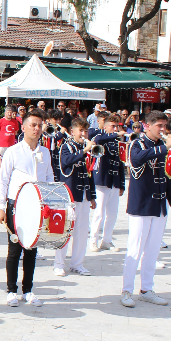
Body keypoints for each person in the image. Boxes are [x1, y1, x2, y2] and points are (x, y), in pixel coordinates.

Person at [121, 111, 171, 308]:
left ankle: (147, 288)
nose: (163, 130)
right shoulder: (138, 143)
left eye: (165, 126)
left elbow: (168, 176)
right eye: (159, 126)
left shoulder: (162, 148)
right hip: (141, 204)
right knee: (135, 248)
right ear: (148, 126)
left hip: (159, 205)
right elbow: (137, 159)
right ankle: (126, 290)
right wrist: (165, 147)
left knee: (153, 250)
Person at [0, 109, 50, 307]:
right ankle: (11, 290)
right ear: (24, 127)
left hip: (37, 207)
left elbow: (49, 179)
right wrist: (1, 207)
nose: (36, 128)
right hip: (15, 206)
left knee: (32, 249)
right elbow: (3, 180)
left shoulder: (44, 152)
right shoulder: (13, 151)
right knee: (14, 249)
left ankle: (28, 290)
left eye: (39, 125)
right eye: (32, 125)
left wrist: (49, 204)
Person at [55, 117, 96, 276]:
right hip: (69, 195)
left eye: (86, 131)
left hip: (84, 194)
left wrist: (92, 196)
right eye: (81, 131)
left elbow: (89, 174)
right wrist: (85, 151)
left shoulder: (86, 149)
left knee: (81, 231)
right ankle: (59, 264)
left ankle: (77, 263)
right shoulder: (66, 146)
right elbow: (66, 161)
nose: (84, 134)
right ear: (72, 131)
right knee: (65, 230)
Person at [89, 114, 126, 252]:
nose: (116, 129)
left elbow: (121, 162)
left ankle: (107, 240)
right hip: (102, 180)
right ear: (105, 127)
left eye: (117, 126)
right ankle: (93, 240)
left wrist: (122, 184)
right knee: (99, 213)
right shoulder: (100, 136)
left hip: (114, 181)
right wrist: (115, 134)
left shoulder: (117, 141)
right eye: (113, 126)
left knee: (112, 213)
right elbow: (98, 139)